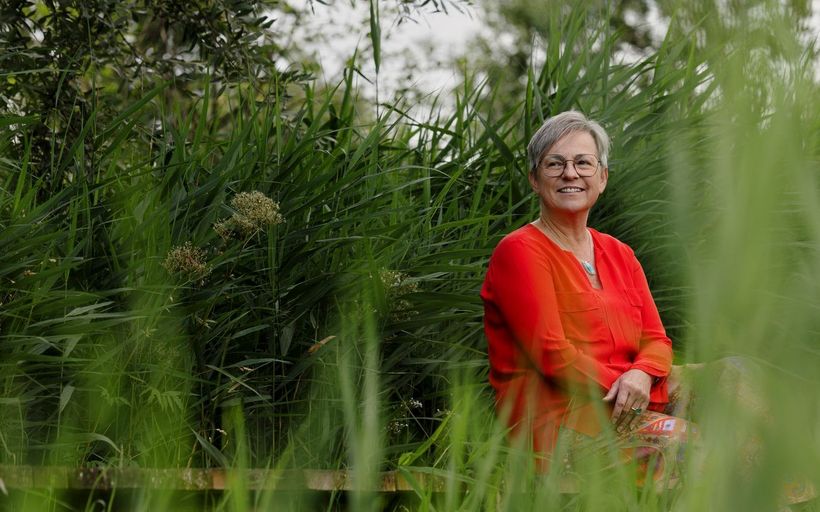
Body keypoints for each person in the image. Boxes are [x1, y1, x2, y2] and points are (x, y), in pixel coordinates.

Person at [480, 110, 687, 480]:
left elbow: (656, 340)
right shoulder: (520, 251)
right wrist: (629, 386)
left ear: (602, 177)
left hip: (627, 398)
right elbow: (552, 354)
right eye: (554, 164)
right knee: (692, 444)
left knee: (739, 382)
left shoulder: (619, 253)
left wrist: (642, 375)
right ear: (533, 178)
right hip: (562, 422)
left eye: (583, 163)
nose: (570, 173)